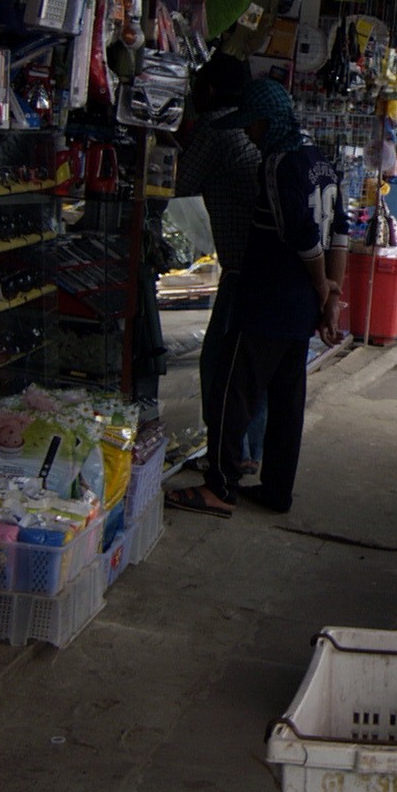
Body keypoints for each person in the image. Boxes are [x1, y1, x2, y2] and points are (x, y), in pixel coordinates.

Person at [168, 79, 343, 517]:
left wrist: (325, 290)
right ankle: (276, 491)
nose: (248, 135)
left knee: (232, 392)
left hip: (269, 298)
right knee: (286, 403)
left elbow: (302, 237)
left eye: (253, 126)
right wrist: (330, 298)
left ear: (270, 122)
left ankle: (220, 487)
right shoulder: (319, 159)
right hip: (300, 307)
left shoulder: (279, 163)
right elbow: (340, 229)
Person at [172, 50, 268, 482]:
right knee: (252, 367)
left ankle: (225, 458)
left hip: (240, 271)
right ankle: (248, 453)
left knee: (219, 367)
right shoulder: (253, 127)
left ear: (208, 89)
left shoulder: (215, 128)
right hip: (266, 268)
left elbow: (177, 183)